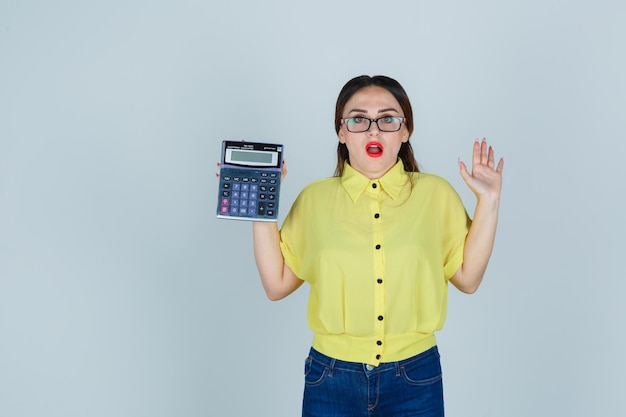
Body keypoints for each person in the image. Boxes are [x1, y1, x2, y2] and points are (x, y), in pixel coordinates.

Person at [252, 75, 504, 417]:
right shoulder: (315, 199)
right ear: (341, 132)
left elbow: (468, 279)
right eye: (358, 120)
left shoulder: (436, 194)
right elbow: (276, 284)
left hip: (415, 375)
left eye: (387, 119)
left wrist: (488, 201)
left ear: (405, 131)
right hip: (331, 377)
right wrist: (260, 207)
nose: (373, 131)